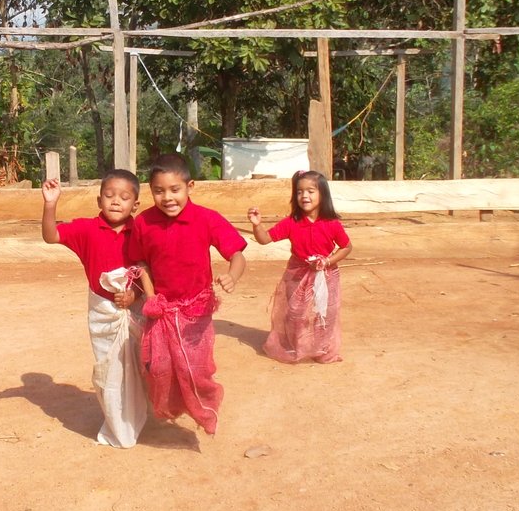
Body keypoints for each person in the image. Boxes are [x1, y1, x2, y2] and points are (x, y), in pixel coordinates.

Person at [126, 152, 247, 435]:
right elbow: (140, 263)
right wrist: (151, 296)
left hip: (196, 311)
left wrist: (232, 275)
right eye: (159, 191)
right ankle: (171, 407)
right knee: (159, 367)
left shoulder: (207, 219)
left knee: (196, 369)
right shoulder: (144, 223)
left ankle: (205, 408)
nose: (167, 197)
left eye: (174, 190)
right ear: (151, 191)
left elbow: (237, 254)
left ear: (190, 187)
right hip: (161, 310)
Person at [41, 171, 147, 448]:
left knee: (136, 366)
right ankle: (118, 424)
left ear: (135, 204)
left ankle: (138, 416)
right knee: (110, 369)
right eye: (109, 196)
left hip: (137, 309)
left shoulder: (143, 231)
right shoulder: (86, 229)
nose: (115, 202)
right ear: (98, 200)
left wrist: (135, 295)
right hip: (102, 311)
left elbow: (153, 270)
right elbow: (51, 236)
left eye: (124, 197)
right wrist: (50, 203)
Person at [247, 170, 352, 365]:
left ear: (323, 194)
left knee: (326, 312)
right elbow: (264, 239)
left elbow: (346, 247)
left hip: (326, 275)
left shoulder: (332, 224)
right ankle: (296, 346)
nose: (304, 196)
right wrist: (257, 225)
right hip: (297, 274)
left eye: (311, 191)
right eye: (299, 192)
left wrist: (328, 261)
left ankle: (323, 350)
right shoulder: (291, 223)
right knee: (295, 311)